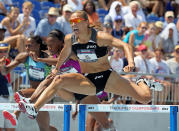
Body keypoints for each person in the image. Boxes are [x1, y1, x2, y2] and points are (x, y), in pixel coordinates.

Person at [17, 10, 161, 130]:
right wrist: (57, 69)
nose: (73, 24)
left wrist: (130, 62)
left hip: (107, 78)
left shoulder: (100, 37)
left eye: (77, 21)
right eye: (71, 22)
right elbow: (64, 55)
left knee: (145, 98)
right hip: (88, 80)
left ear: (86, 22)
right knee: (58, 79)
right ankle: (34, 108)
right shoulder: (70, 39)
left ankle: (142, 82)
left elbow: (125, 45)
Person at [0, 36, 57, 131]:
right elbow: (6, 71)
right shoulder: (24, 57)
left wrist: (42, 61)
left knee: (20, 94)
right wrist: (2, 66)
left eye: (29, 45)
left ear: (38, 46)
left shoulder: (46, 57)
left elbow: (59, 62)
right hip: (32, 98)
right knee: (45, 128)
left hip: (46, 94)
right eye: (26, 46)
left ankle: (15, 115)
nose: (27, 48)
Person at [0, 43, 15, 131]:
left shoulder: (8, 62)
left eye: (5, 51)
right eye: (0, 51)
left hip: (9, 98)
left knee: (11, 128)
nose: (3, 54)